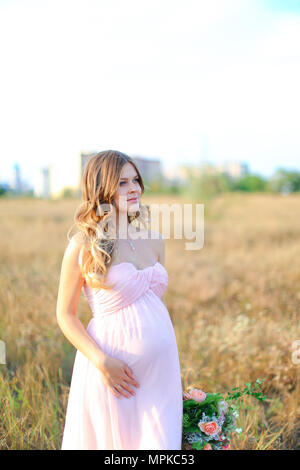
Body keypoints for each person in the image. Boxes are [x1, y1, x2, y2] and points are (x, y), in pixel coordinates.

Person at [56, 150, 183, 450]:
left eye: (135, 180)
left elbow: (152, 303)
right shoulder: (83, 245)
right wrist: (102, 362)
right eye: (123, 182)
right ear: (103, 188)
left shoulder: (154, 239)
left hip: (161, 372)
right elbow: (65, 315)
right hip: (114, 373)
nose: (134, 188)